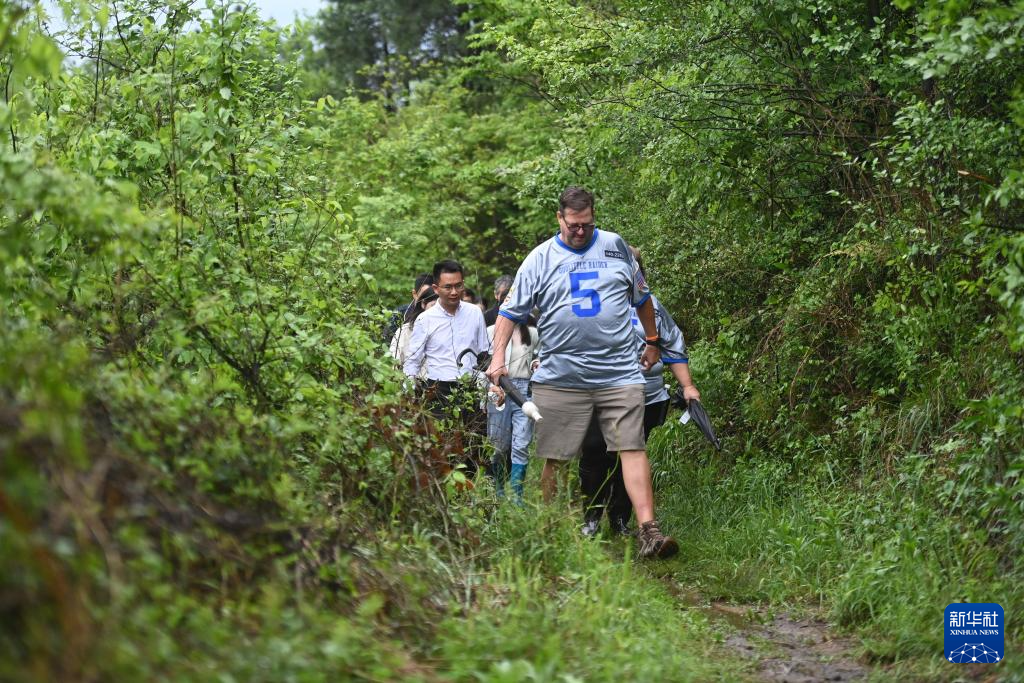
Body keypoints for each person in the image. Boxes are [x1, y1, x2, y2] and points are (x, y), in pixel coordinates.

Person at [486, 186, 678, 559]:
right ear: (559, 218)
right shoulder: (540, 258)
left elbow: (643, 298)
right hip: (561, 375)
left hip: (618, 371)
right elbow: (509, 312)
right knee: (556, 456)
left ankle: (649, 532)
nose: (579, 231)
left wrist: (653, 341)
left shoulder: (616, 246)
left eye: (586, 224)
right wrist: (498, 359)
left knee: (632, 446)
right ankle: (548, 530)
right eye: (573, 224)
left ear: (594, 218)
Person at [580, 247, 700, 537]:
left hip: (647, 395)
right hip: (601, 391)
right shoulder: (591, 302)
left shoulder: (653, 306)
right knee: (595, 451)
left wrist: (687, 386)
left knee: (630, 455)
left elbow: (673, 345)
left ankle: (620, 519)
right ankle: (591, 518)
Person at [404, 260, 491, 472]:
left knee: (473, 449)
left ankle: (472, 490)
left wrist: (489, 387)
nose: (454, 292)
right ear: (436, 288)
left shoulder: (474, 313)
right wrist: (408, 395)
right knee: (442, 451)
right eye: (448, 287)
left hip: (470, 389)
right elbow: (412, 361)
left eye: (458, 286)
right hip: (438, 391)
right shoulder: (425, 319)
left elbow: (484, 354)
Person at [486, 316, 538, 500]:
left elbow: (538, 356)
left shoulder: (532, 333)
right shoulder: (491, 331)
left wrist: (536, 364)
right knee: (498, 444)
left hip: (523, 389)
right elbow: (484, 364)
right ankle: (498, 491)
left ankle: (517, 496)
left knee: (521, 443)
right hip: (498, 388)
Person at [389, 289, 439, 379]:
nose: (438, 311)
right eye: (434, 305)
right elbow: (393, 364)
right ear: (423, 304)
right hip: (411, 383)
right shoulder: (405, 331)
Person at [384, 273, 433, 343]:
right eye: (424, 296)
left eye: (432, 296)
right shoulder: (399, 314)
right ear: (414, 294)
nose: (428, 300)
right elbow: (387, 342)